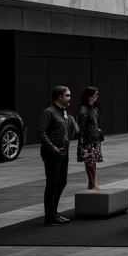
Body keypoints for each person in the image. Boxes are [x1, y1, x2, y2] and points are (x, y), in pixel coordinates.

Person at [38, 86, 78, 224]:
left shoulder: (64, 113)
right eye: (67, 95)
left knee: (62, 182)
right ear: (58, 97)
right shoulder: (49, 112)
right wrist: (52, 147)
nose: (69, 98)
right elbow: (41, 131)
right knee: (52, 184)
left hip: (63, 151)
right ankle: (50, 215)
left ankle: (53, 212)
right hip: (52, 153)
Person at [76, 86, 103, 190]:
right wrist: (82, 140)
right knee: (90, 162)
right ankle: (92, 184)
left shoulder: (94, 108)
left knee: (93, 161)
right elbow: (81, 127)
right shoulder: (84, 109)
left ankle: (93, 183)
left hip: (94, 138)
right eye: (94, 94)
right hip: (87, 139)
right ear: (89, 96)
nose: (96, 97)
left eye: (97, 94)